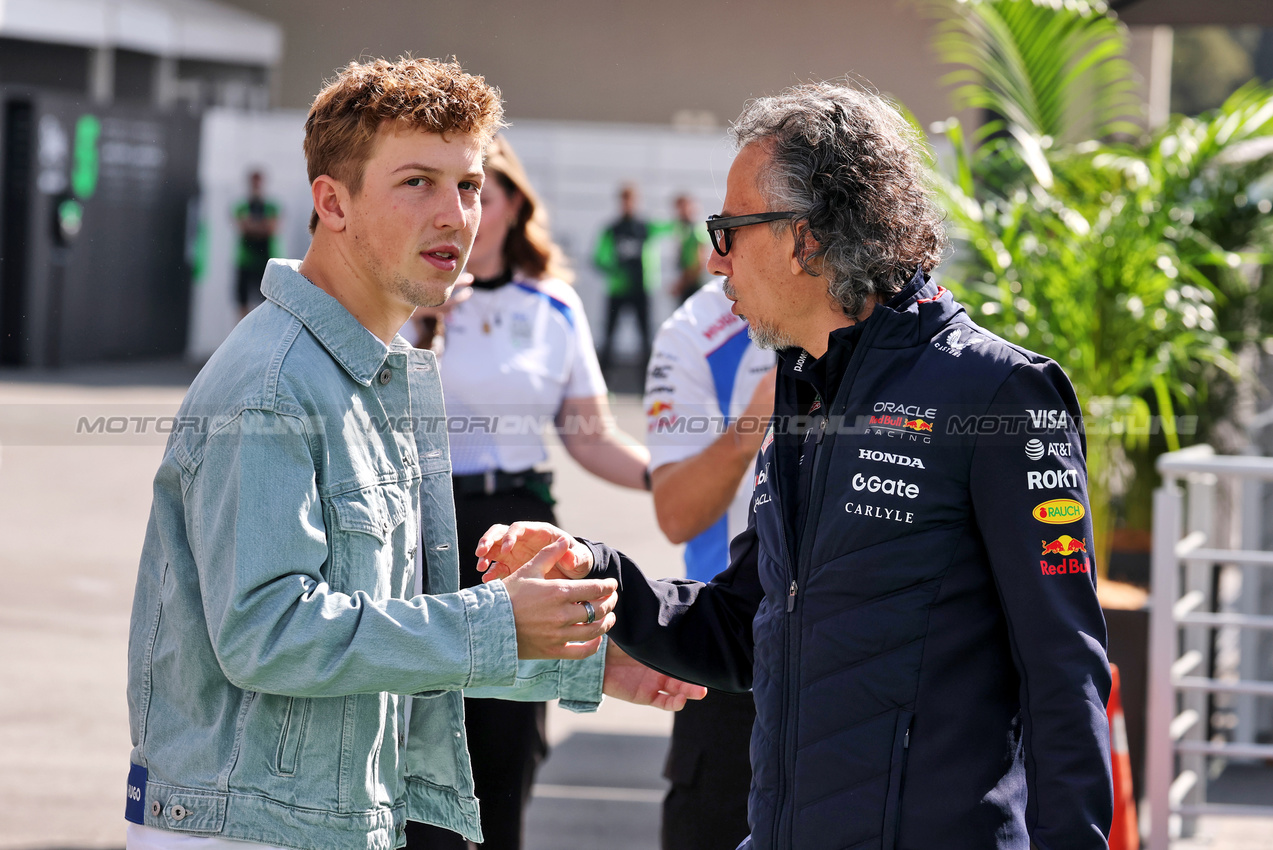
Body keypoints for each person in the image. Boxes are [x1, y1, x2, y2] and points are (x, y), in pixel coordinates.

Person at [476, 82, 1114, 850]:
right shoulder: (805, 388)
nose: (715, 262)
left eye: (729, 231)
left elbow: (1063, 671)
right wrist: (595, 565)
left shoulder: (1001, 391)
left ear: (804, 237)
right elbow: (744, 626)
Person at [124, 56, 704, 850]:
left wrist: (581, 662)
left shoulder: (374, 372)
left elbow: (380, 632)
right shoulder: (273, 383)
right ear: (331, 202)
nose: (454, 216)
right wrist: (500, 621)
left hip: (322, 819)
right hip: (249, 827)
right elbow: (269, 635)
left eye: (468, 186)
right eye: (416, 183)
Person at [406, 135, 651, 850]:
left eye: (479, 188)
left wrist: (663, 477)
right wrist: (419, 327)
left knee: (506, 733)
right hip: (419, 520)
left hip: (516, 529)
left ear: (512, 205)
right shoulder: (404, 296)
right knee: (411, 719)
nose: (462, 207)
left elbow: (587, 432)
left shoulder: (554, 306)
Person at [643, 281, 775, 850]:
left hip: (861, 633)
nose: (718, 256)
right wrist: (754, 424)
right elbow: (675, 514)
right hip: (730, 636)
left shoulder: (882, 307)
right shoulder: (696, 330)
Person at [593, 183, 663, 370]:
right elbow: (598, 258)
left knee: (646, 339)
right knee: (609, 338)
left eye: (631, 200)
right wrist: (615, 270)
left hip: (641, 289)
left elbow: (669, 229)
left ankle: (646, 387)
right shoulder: (612, 229)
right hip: (618, 291)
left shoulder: (644, 227)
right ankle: (603, 384)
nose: (628, 204)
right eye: (625, 200)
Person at [233, 170, 279, 319]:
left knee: (268, 301)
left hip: (265, 260)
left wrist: (252, 225)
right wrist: (260, 226)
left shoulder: (271, 206)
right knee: (242, 302)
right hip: (246, 260)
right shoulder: (242, 206)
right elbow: (243, 226)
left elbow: (271, 228)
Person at [668, 194, 710, 305]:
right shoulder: (683, 229)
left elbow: (699, 263)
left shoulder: (695, 230)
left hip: (693, 284)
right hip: (687, 283)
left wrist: (682, 284)